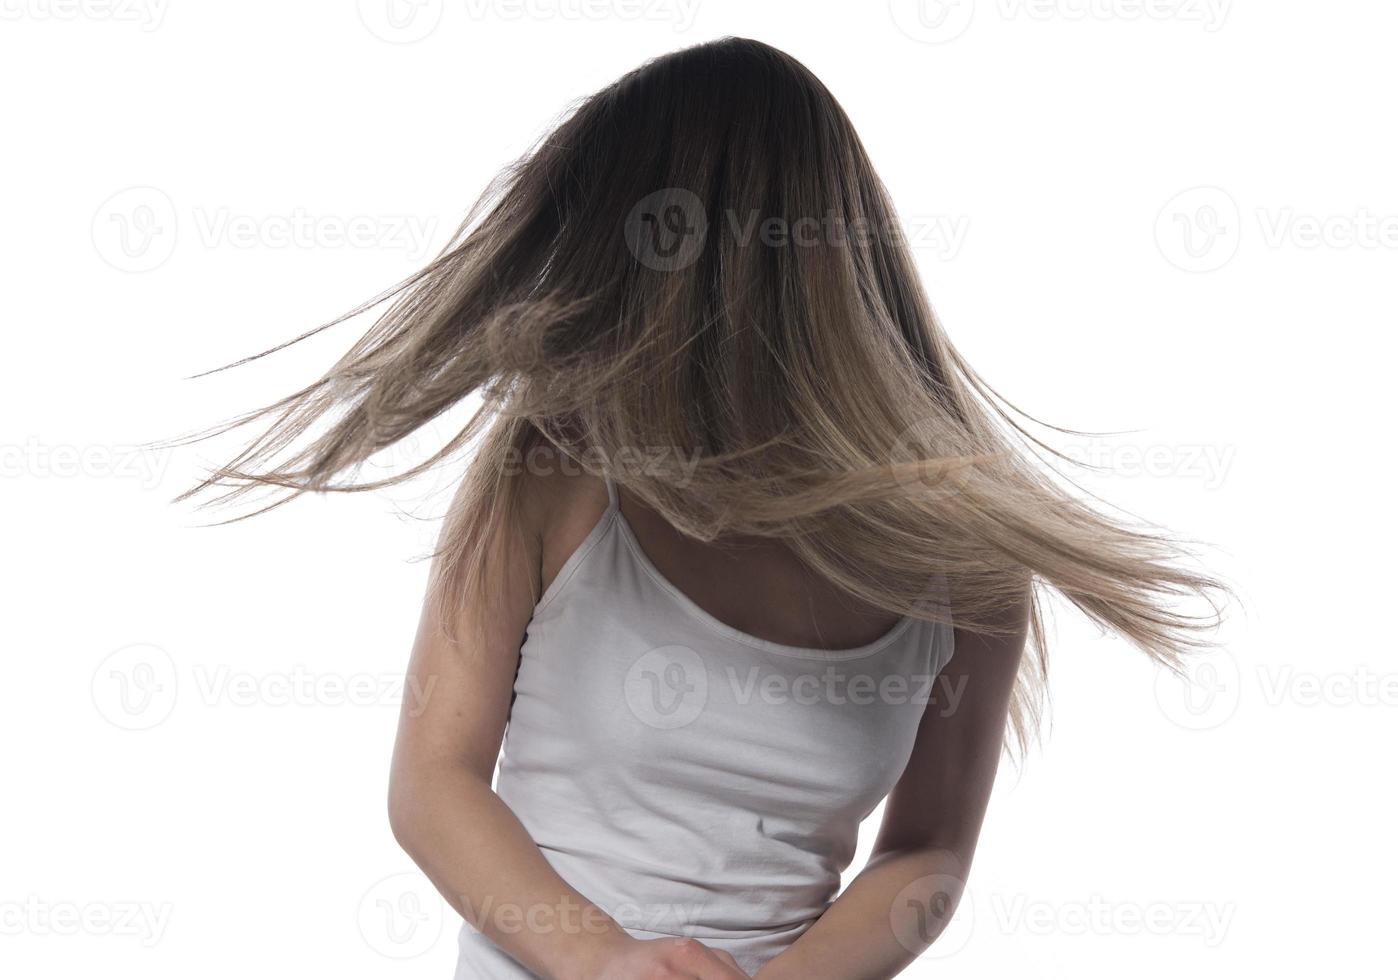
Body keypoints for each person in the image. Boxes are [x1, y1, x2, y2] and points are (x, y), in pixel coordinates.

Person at [184, 37, 1224, 979]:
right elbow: (433, 780)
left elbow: (927, 850)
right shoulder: (549, 470)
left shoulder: (969, 562)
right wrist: (601, 961)